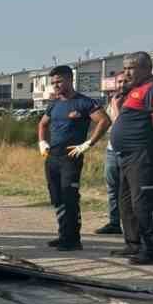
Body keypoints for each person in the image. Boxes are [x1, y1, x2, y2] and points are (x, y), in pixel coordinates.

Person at [37, 65, 108, 251]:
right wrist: (42, 142)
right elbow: (43, 124)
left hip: (71, 155)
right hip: (52, 155)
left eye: (59, 81)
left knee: (69, 196)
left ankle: (73, 239)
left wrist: (88, 144)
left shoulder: (84, 102)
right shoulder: (54, 104)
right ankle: (63, 235)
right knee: (57, 197)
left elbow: (104, 120)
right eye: (53, 82)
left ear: (70, 79)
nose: (56, 85)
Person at [110, 50, 153, 266]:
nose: (127, 72)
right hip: (125, 156)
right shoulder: (134, 90)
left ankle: (151, 249)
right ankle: (133, 243)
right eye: (125, 68)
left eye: (132, 68)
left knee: (142, 204)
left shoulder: (151, 89)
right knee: (125, 202)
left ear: (147, 69)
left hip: (141, 155)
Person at [94, 66, 131, 236]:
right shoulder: (114, 99)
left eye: (125, 81)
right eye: (120, 81)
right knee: (112, 188)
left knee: (129, 190)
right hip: (111, 150)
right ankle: (114, 222)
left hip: (129, 152)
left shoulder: (133, 100)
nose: (122, 84)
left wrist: (115, 107)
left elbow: (119, 125)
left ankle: (133, 226)